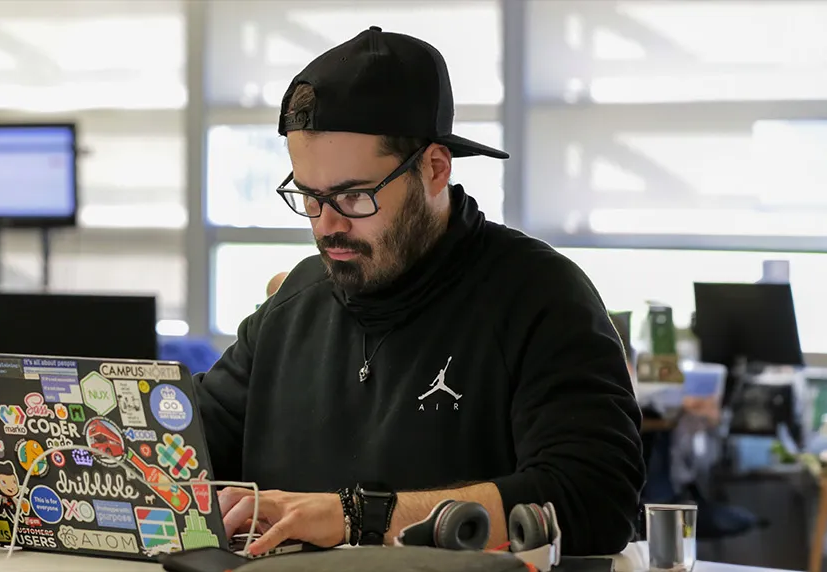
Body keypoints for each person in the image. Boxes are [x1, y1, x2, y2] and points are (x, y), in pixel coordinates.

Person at [195, 27, 644, 557]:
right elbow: (176, 450)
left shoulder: (539, 296)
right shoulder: (293, 305)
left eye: (355, 196)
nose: (328, 225)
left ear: (434, 168)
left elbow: (593, 499)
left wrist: (357, 516)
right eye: (309, 196)